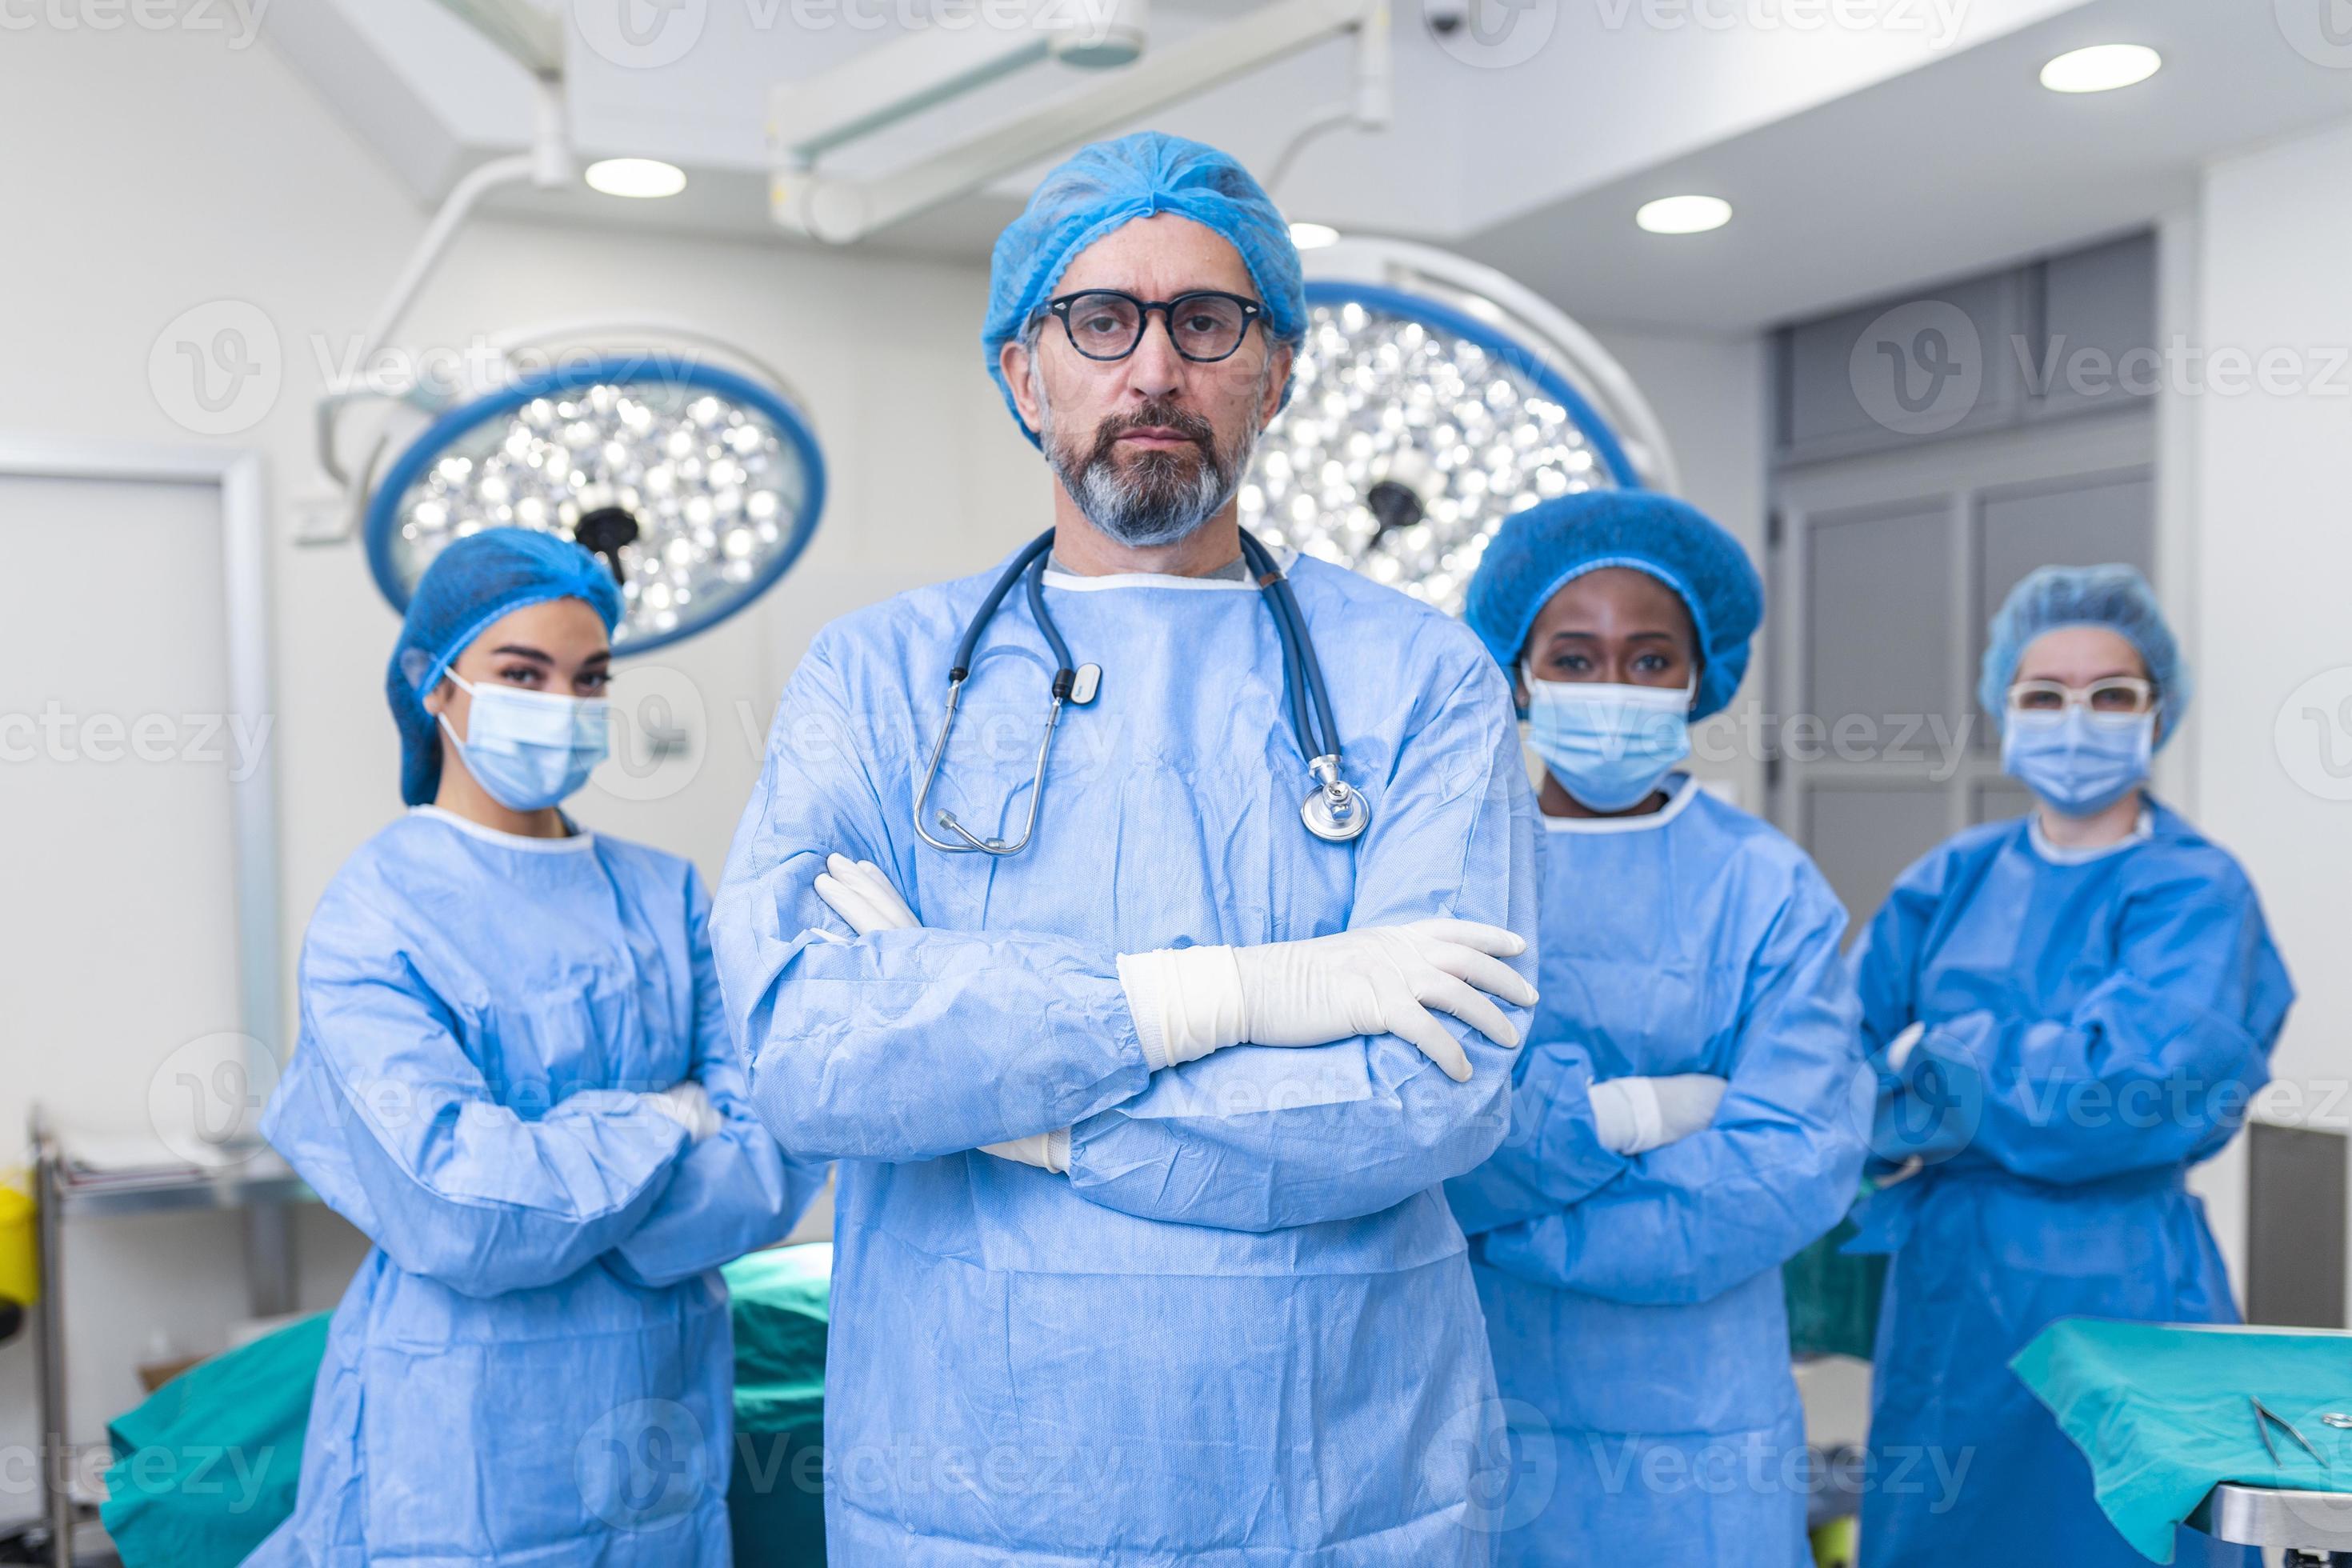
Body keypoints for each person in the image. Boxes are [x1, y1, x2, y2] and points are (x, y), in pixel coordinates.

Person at [711, 131, 1541, 1566]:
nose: (1153, 369)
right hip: (973, 1486)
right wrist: (1224, 1003)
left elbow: (1430, 1093)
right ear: (1024, 372)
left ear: (1274, 370)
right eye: (1102, 320)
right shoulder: (877, 681)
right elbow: (805, 1050)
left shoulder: (1426, 682)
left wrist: (1004, 1108)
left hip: (1335, 1481)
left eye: (1205, 322)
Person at [252, 528, 818, 1566]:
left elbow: (771, 1159)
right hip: (458, 1432)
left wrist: (554, 1171)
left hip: (656, 1411)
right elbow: (458, 1210)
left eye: (588, 676)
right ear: (436, 687)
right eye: (522, 673)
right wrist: (664, 1118)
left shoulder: (667, 898)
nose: (560, 704)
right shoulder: (374, 917)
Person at [1442, 490, 1866, 1565]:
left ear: (1700, 675)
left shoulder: (1767, 889)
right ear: (1520, 670)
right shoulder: (1448, 874)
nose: (1613, 689)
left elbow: (1789, 1166)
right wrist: (1647, 1112)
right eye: (1576, 660)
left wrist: (1512, 1218)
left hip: (1699, 1423)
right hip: (1469, 1387)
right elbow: (1417, 1132)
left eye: (1648, 660)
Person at [1850, 564, 2294, 1567]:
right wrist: (1943, 1079)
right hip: (1952, 1299)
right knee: (1948, 1535)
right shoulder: (1950, 878)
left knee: (2120, 1537)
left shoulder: (2196, 890)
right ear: (2002, 707)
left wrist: (1939, 1056)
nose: (2075, 718)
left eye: (2110, 695)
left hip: (2130, 1286)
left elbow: (2122, 1097)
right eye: (2043, 694)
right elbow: (1841, 1068)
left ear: (2157, 712)